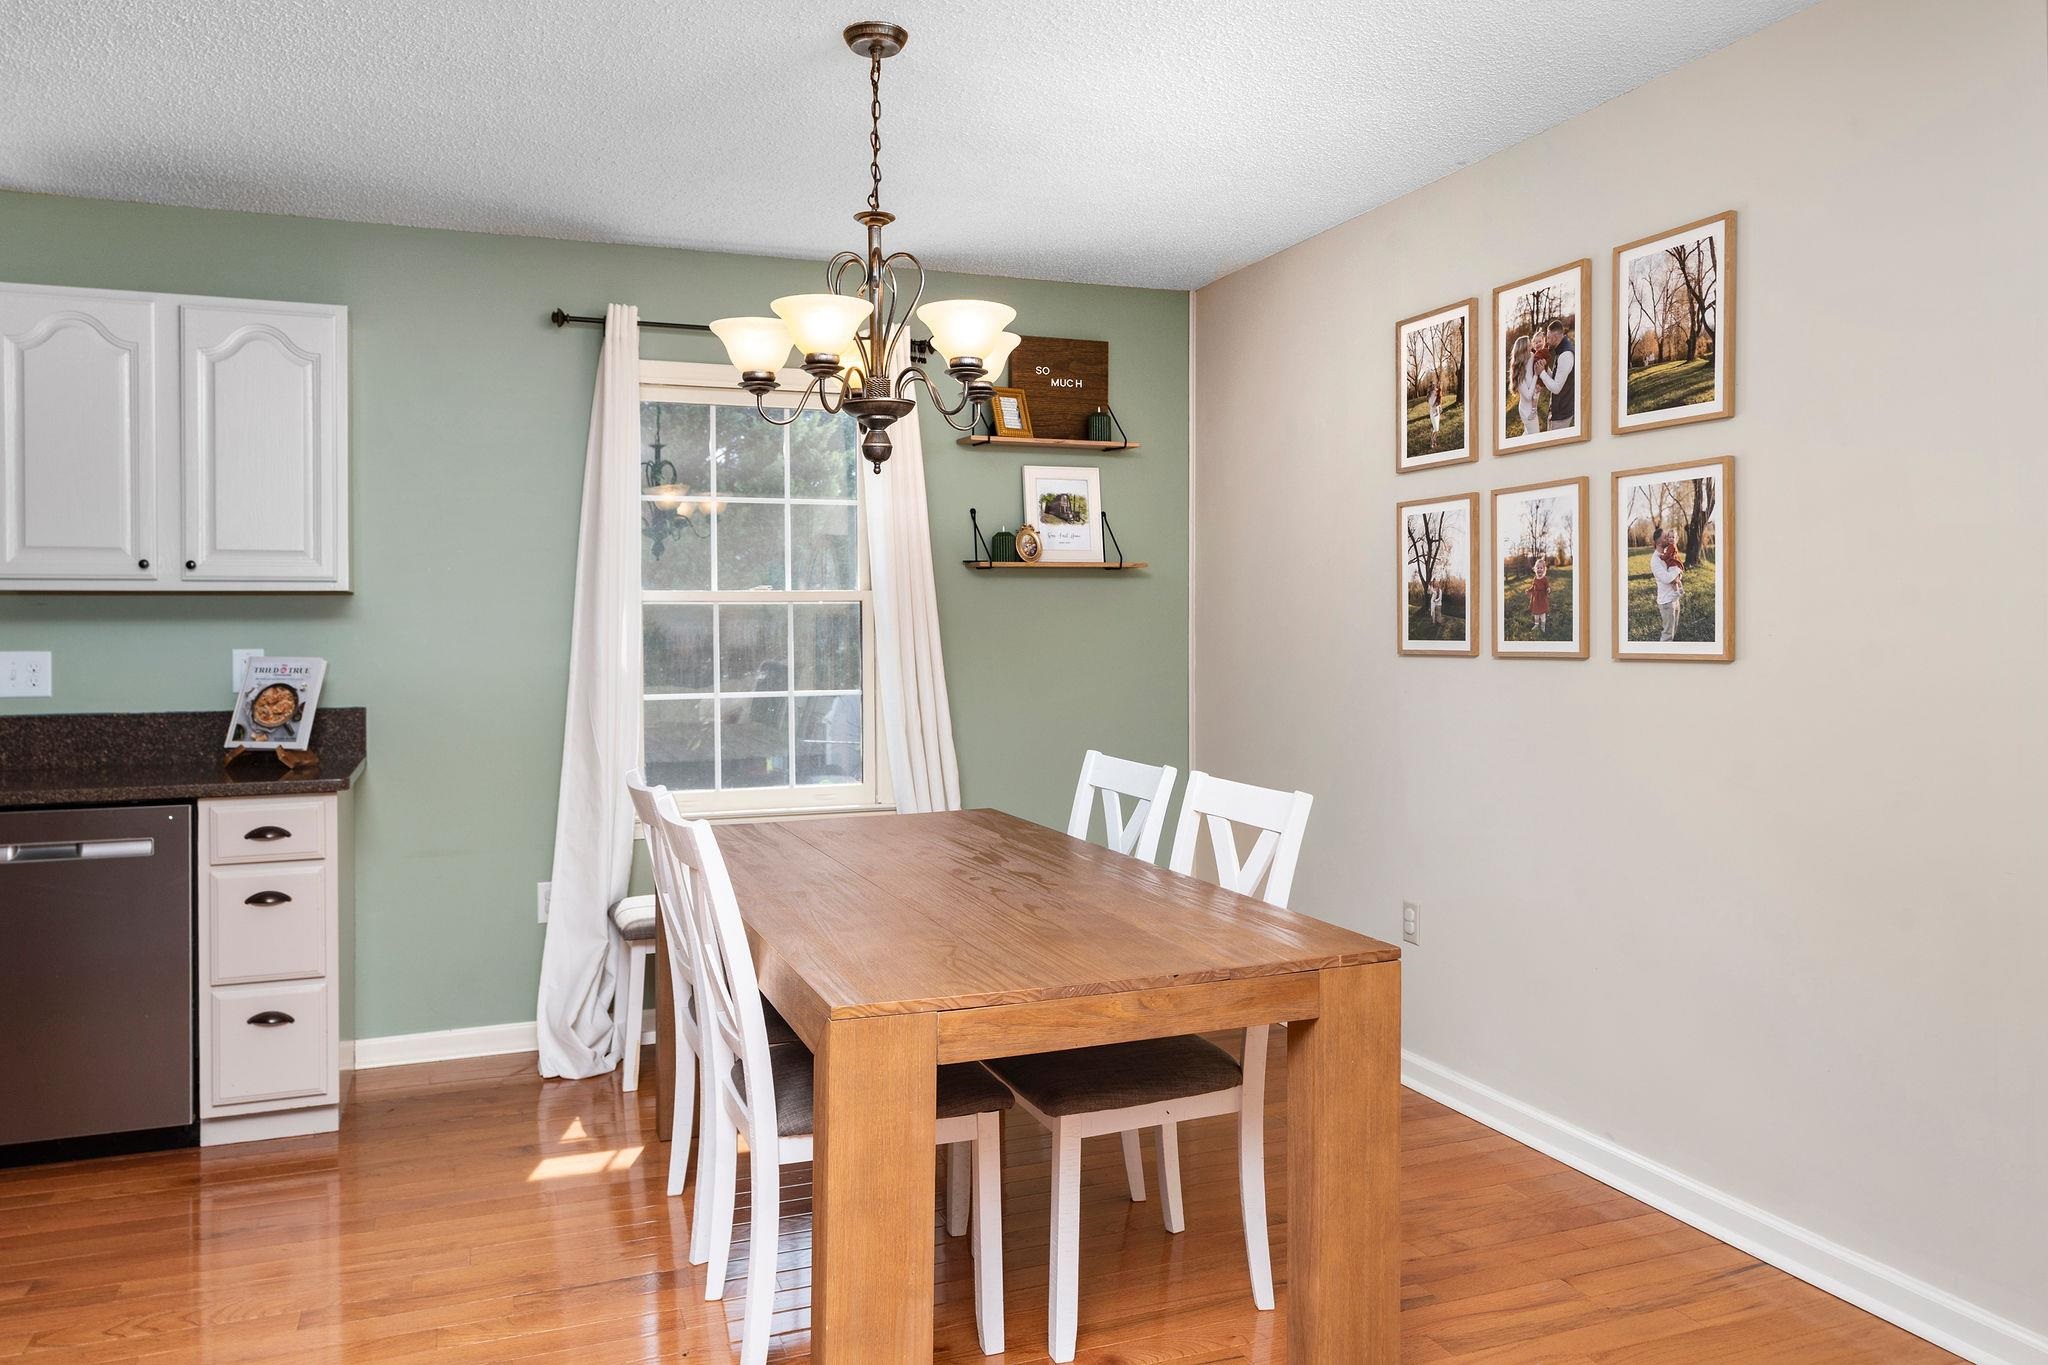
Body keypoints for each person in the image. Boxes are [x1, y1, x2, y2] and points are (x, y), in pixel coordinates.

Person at [1534, 318, 1577, 431]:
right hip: (1558, 410)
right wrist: (1545, 368)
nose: (1547, 341)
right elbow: (1557, 378)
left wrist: (1541, 372)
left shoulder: (1565, 355)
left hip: (1561, 414)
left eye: (1548, 338)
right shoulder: (1561, 350)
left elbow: (1556, 388)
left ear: (1556, 337)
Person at [1650, 530, 1684, 641]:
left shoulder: (1667, 554)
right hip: (1667, 601)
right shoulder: (1655, 560)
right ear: (1659, 543)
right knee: (1668, 634)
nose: (1669, 539)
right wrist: (1678, 571)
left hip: (1674, 598)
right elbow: (1667, 578)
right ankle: (1663, 655)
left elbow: (1676, 573)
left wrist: (1678, 572)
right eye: (1665, 537)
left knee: (1674, 630)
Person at [1510, 335, 1543, 435]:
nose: (1531, 347)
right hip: (1527, 411)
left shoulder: (1531, 356)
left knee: (1528, 433)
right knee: (1534, 437)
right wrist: (1536, 376)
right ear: (1523, 350)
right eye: (1529, 346)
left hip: (1533, 406)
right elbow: (1528, 396)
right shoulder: (1518, 373)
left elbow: (1540, 358)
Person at [1529, 554, 1550, 634]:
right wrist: (1529, 590)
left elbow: (1547, 586)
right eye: (1538, 568)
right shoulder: (1535, 578)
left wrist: (1548, 589)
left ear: (1544, 569)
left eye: (1541, 568)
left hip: (1542, 599)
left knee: (1542, 614)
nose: (1539, 569)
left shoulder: (1544, 579)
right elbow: (1533, 587)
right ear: (1535, 569)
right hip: (1536, 599)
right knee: (1536, 613)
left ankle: (1543, 626)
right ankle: (1536, 624)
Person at [1427, 377, 1443, 450]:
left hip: (1437, 413)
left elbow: (1438, 402)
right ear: (1430, 389)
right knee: (1436, 428)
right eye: (1433, 387)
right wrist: (1435, 397)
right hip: (1433, 413)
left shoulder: (1436, 392)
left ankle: (1434, 441)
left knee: (1437, 429)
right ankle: (1432, 442)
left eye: (1435, 386)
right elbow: (1432, 404)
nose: (1434, 388)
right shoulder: (1430, 397)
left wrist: (1439, 407)